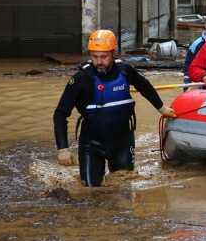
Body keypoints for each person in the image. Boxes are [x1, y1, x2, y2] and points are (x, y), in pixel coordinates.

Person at [53, 30, 176, 187]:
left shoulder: (125, 70)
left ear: (113, 53)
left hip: (123, 143)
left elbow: (144, 86)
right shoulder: (80, 79)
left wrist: (161, 108)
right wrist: (63, 148)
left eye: (103, 57)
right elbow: (60, 114)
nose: (99, 62)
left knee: (123, 189)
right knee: (92, 191)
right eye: (95, 57)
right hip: (92, 144)